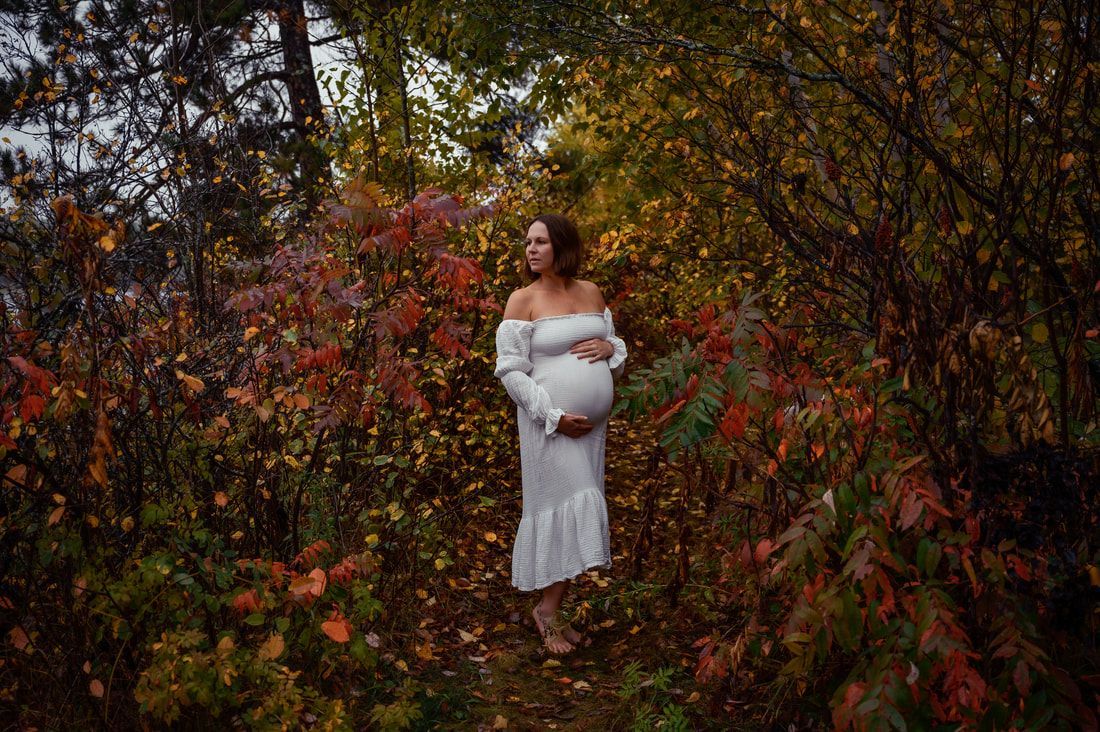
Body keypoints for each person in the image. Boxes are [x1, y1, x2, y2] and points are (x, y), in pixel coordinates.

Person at [493, 213, 627, 654]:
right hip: (547, 425)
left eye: (541, 242)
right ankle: (546, 613)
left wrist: (610, 348)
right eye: (528, 242)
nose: (531, 250)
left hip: (589, 429)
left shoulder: (590, 292)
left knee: (572, 511)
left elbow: (614, 350)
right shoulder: (522, 300)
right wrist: (552, 415)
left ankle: (552, 610)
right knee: (575, 502)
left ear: (562, 246)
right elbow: (511, 373)